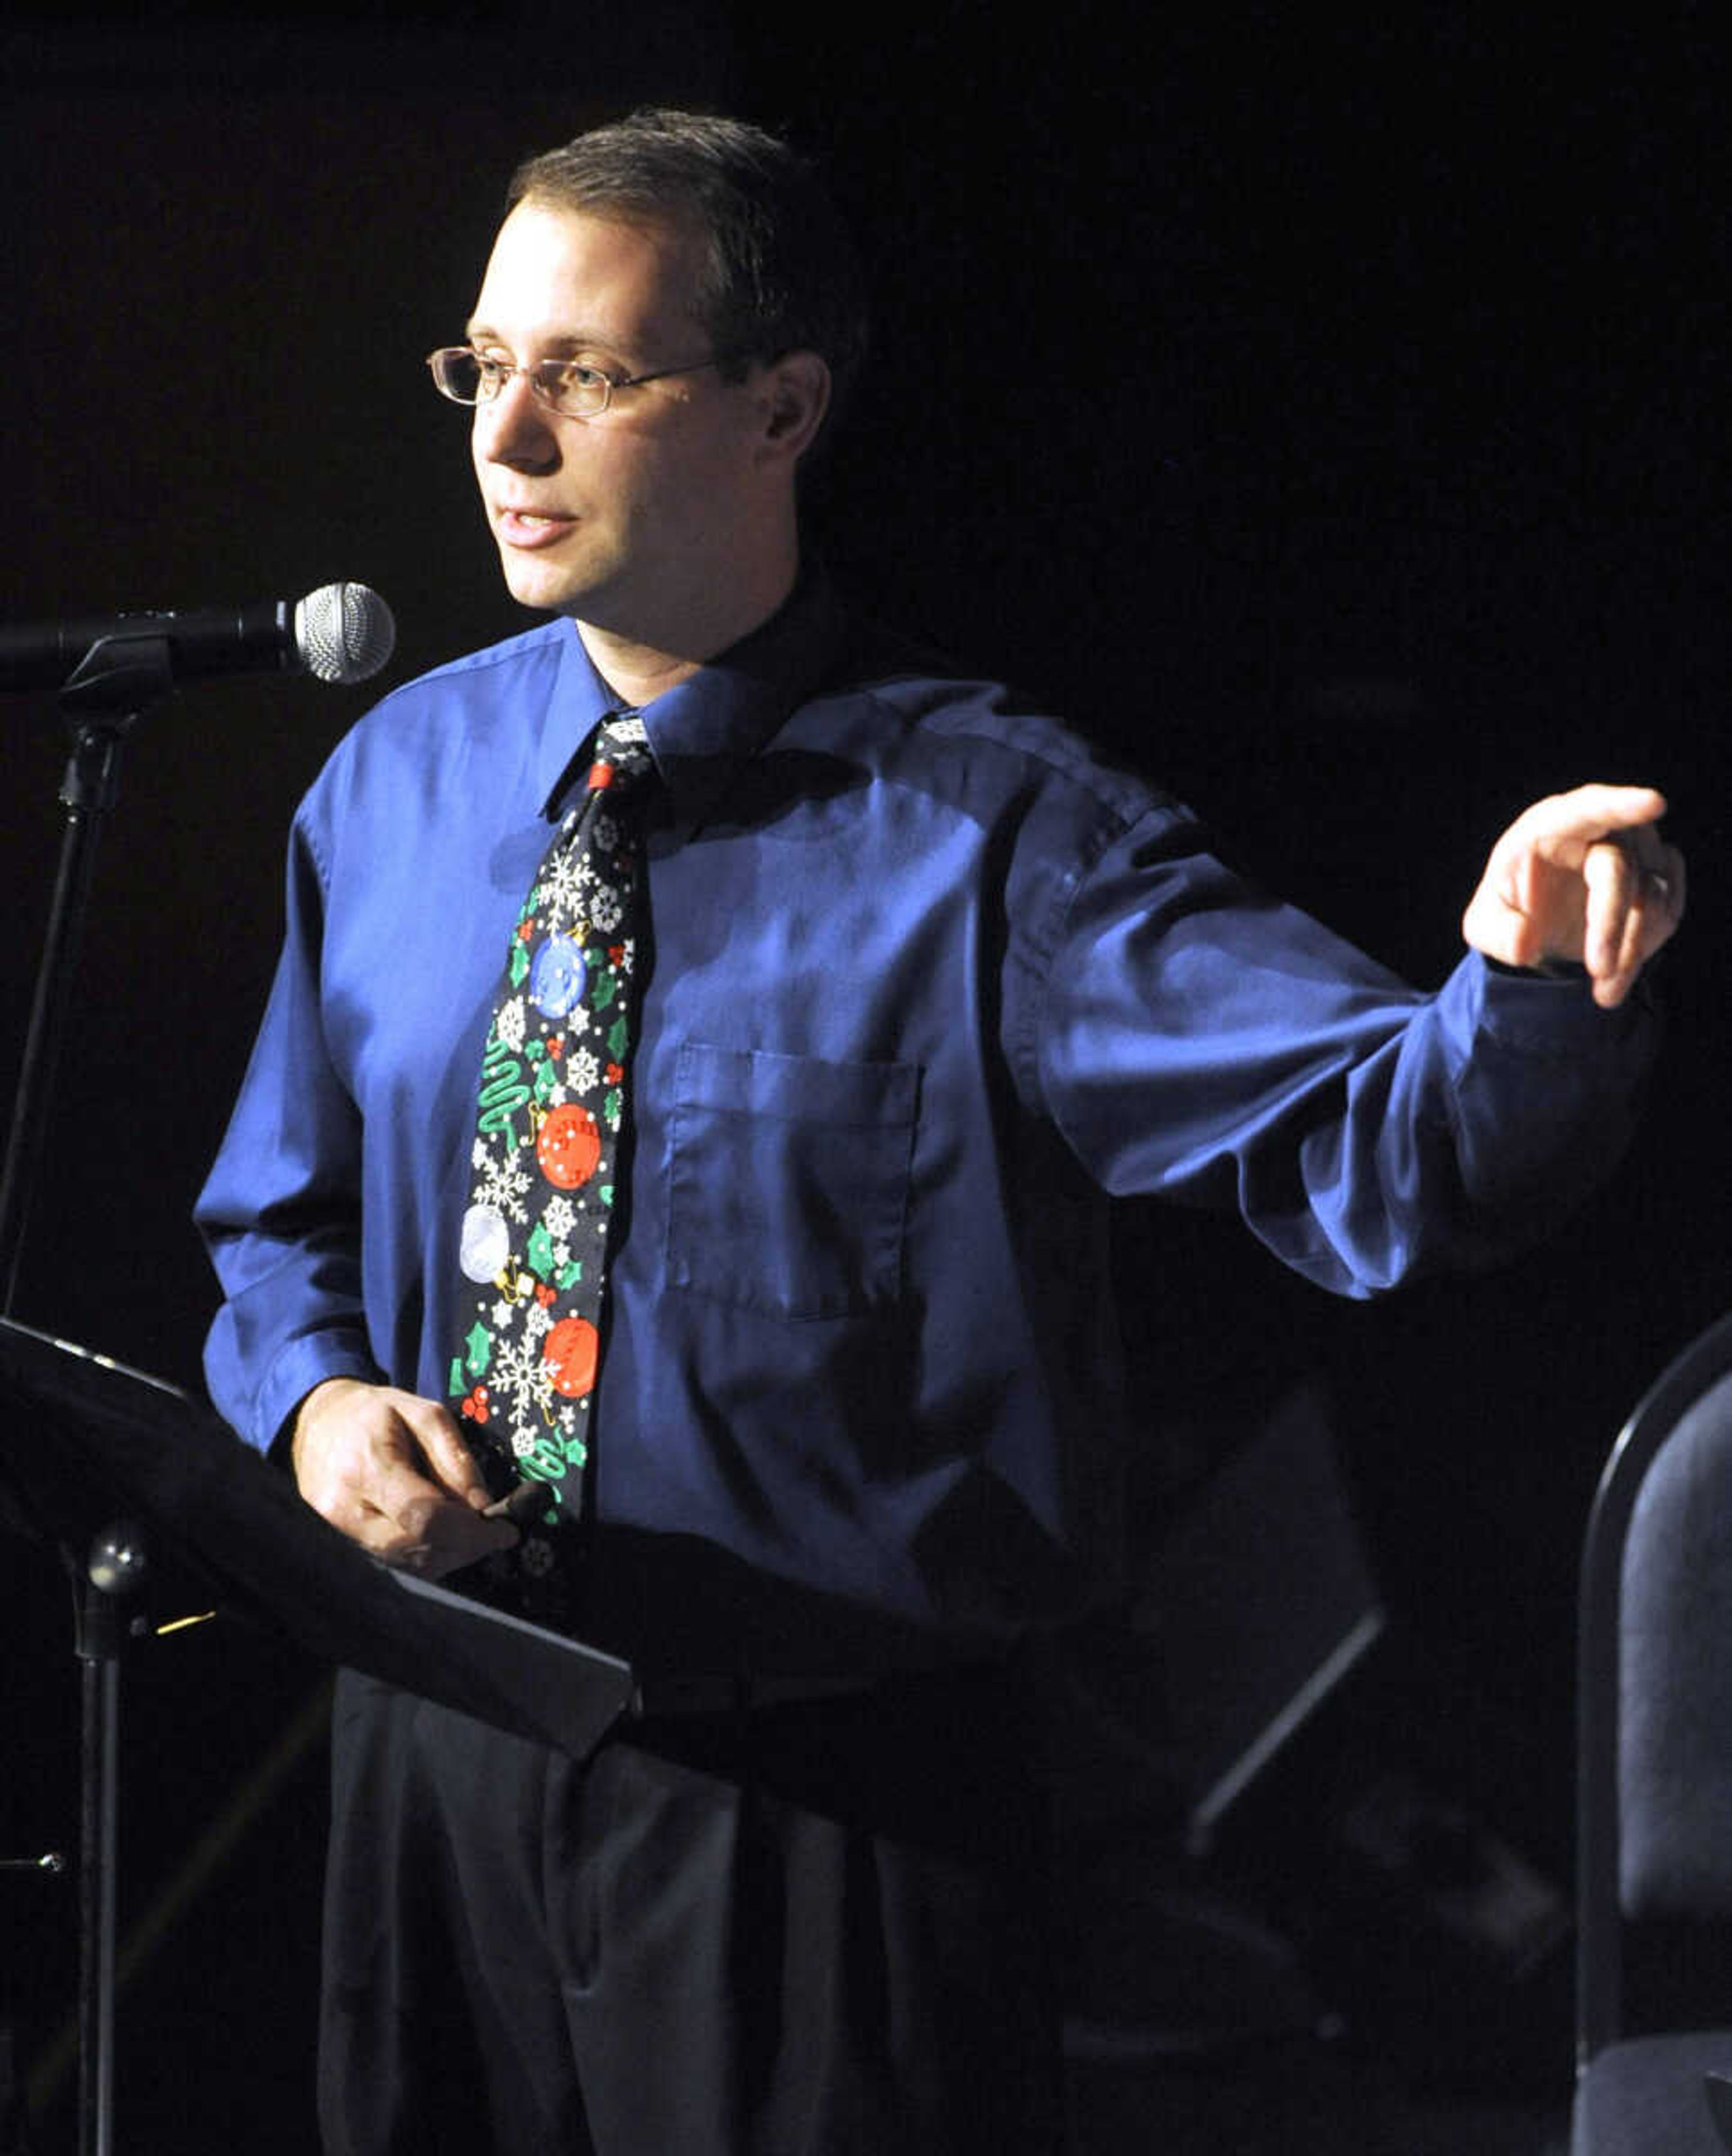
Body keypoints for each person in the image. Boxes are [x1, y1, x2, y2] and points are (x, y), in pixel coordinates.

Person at [196, 108, 1683, 2156]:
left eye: (588, 375)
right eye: (482, 366)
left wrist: (1514, 989)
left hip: (820, 1818)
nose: (505, 440)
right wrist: (317, 1413)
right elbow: (276, 1228)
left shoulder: (1001, 837)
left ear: (780, 407)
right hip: (429, 1754)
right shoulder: (396, 785)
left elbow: (1388, 1150)